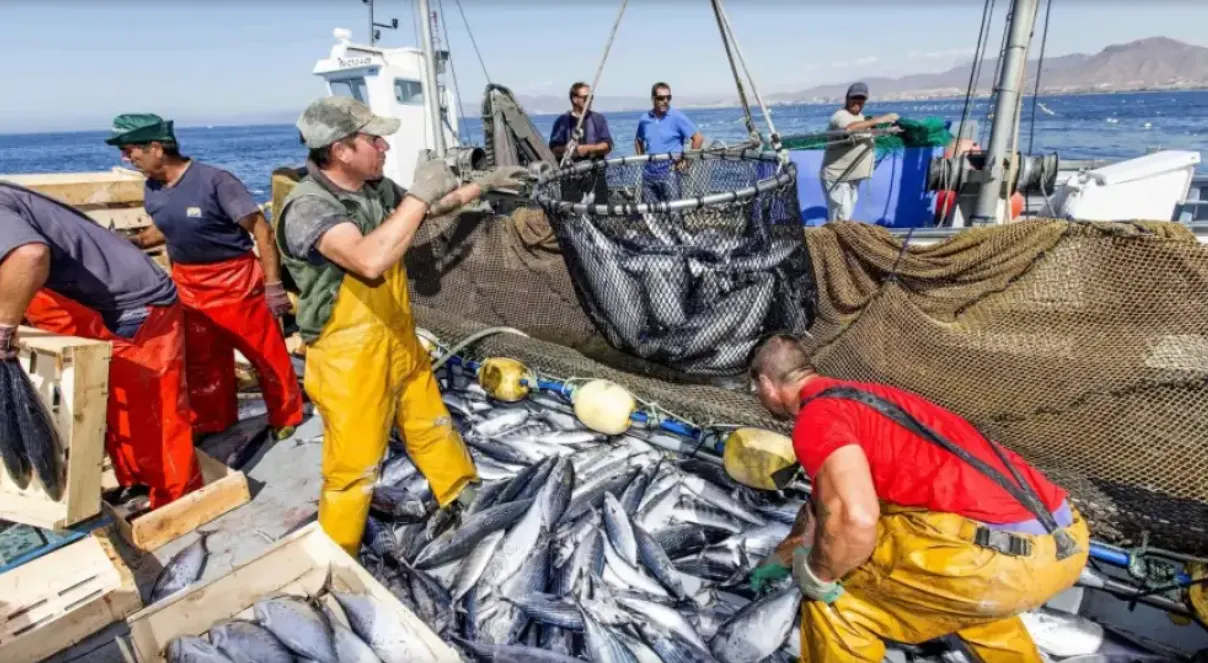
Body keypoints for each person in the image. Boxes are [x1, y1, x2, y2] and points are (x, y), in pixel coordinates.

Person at [275, 96, 533, 554]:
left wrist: (483, 187)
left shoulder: (372, 188)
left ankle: (459, 492)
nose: (384, 146)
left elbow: (423, 213)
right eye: (373, 139)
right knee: (353, 465)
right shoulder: (309, 208)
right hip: (346, 355)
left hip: (394, 335)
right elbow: (369, 260)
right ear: (340, 151)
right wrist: (417, 194)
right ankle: (340, 553)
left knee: (430, 421)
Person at [746, 333, 1088, 662]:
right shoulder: (868, 397)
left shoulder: (816, 420)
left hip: (994, 563)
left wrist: (819, 576)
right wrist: (780, 559)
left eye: (755, 389)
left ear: (766, 384)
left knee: (838, 601)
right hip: (1061, 545)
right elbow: (821, 513)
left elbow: (855, 520)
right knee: (948, 596)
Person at [0, 181, 203, 508]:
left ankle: (179, 500)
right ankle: (139, 483)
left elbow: (30, 256)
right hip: (93, 303)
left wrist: (4, 327)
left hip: (134, 306)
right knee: (111, 401)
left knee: (153, 411)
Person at [106, 114, 304, 440]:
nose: (126, 158)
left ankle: (286, 415)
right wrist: (139, 241)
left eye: (130, 151)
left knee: (265, 355)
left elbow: (262, 231)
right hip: (188, 284)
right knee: (202, 361)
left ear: (156, 148)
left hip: (235, 281)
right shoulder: (153, 188)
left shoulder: (215, 182)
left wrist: (273, 285)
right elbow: (164, 224)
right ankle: (215, 420)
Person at [820, 82, 899, 221]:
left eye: (861, 99)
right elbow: (850, 129)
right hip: (838, 177)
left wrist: (886, 130)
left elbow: (864, 132)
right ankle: (834, 241)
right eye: (854, 98)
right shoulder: (841, 115)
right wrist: (880, 119)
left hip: (852, 177)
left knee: (846, 216)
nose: (858, 102)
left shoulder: (860, 117)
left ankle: (841, 241)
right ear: (847, 98)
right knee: (841, 218)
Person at [634, 82, 703, 203]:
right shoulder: (644, 119)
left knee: (674, 213)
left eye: (668, 97)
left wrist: (687, 163)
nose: (665, 101)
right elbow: (638, 140)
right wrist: (642, 160)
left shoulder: (677, 117)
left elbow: (698, 138)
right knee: (652, 213)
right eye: (661, 98)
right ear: (653, 99)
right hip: (649, 173)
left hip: (670, 173)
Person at [548, 82, 613, 203]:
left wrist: (589, 149)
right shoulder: (561, 122)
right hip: (571, 178)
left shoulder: (598, 119)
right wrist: (568, 150)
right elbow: (554, 148)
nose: (590, 100)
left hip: (595, 177)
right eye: (586, 97)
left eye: (591, 97)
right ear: (575, 99)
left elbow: (608, 145)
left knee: (600, 215)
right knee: (572, 216)